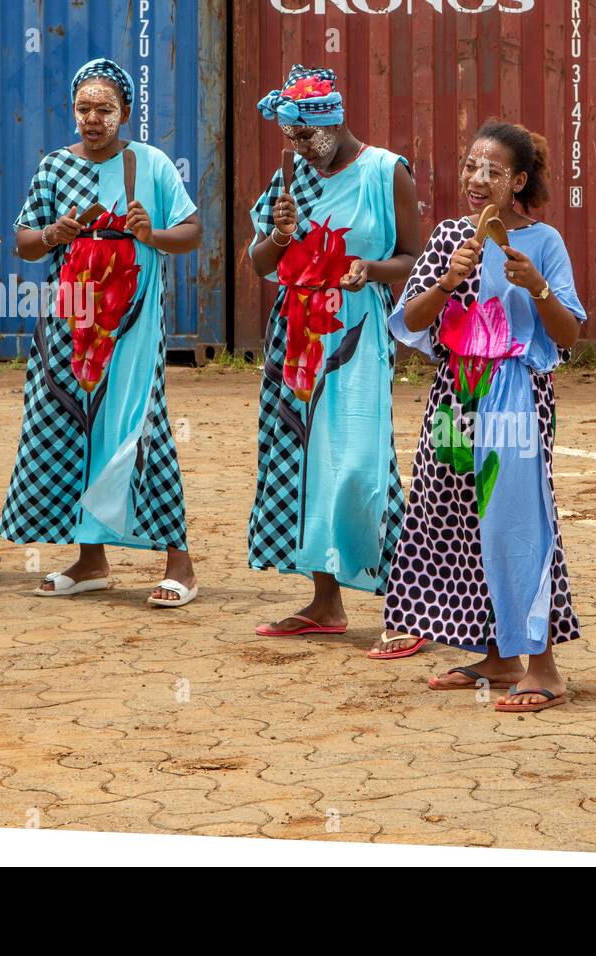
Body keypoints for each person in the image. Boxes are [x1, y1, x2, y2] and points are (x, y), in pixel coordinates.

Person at [380, 121, 585, 712]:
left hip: (514, 392)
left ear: (518, 181)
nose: (476, 179)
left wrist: (538, 288)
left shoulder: (542, 243)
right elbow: (411, 322)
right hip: (454, 391)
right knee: (460, 519)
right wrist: (448, 280)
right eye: (471, 166)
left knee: (517, 522)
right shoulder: (448, 238)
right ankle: (497, 655)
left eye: (492, 171)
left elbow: (569, 335)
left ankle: (543, 665)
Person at [0, 58, 203, 607]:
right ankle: (91, 559)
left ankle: (179, 563)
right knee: (71, 423)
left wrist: (151, 233)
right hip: (70, 319)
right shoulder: (54, 168)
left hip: (132, 323)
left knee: (142, 427)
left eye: (104, 109)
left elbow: (192, 231)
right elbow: (22, 242)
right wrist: (52, 232)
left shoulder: (151, 164)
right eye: (84, 108)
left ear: (126, 113)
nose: (93, 119)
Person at [247, 65, 419, 640]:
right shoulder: (291, 179)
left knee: (360, 466)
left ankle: (409, 606)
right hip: (295, 333)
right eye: (290, 138)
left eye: (305, 136)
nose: (298, 148)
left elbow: (414, 258)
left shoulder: (385, 171)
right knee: (303, 463)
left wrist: (368, 270)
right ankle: (325, 603)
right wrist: (279, 236)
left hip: (355, 331)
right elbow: (259, 264)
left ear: (335, 119)